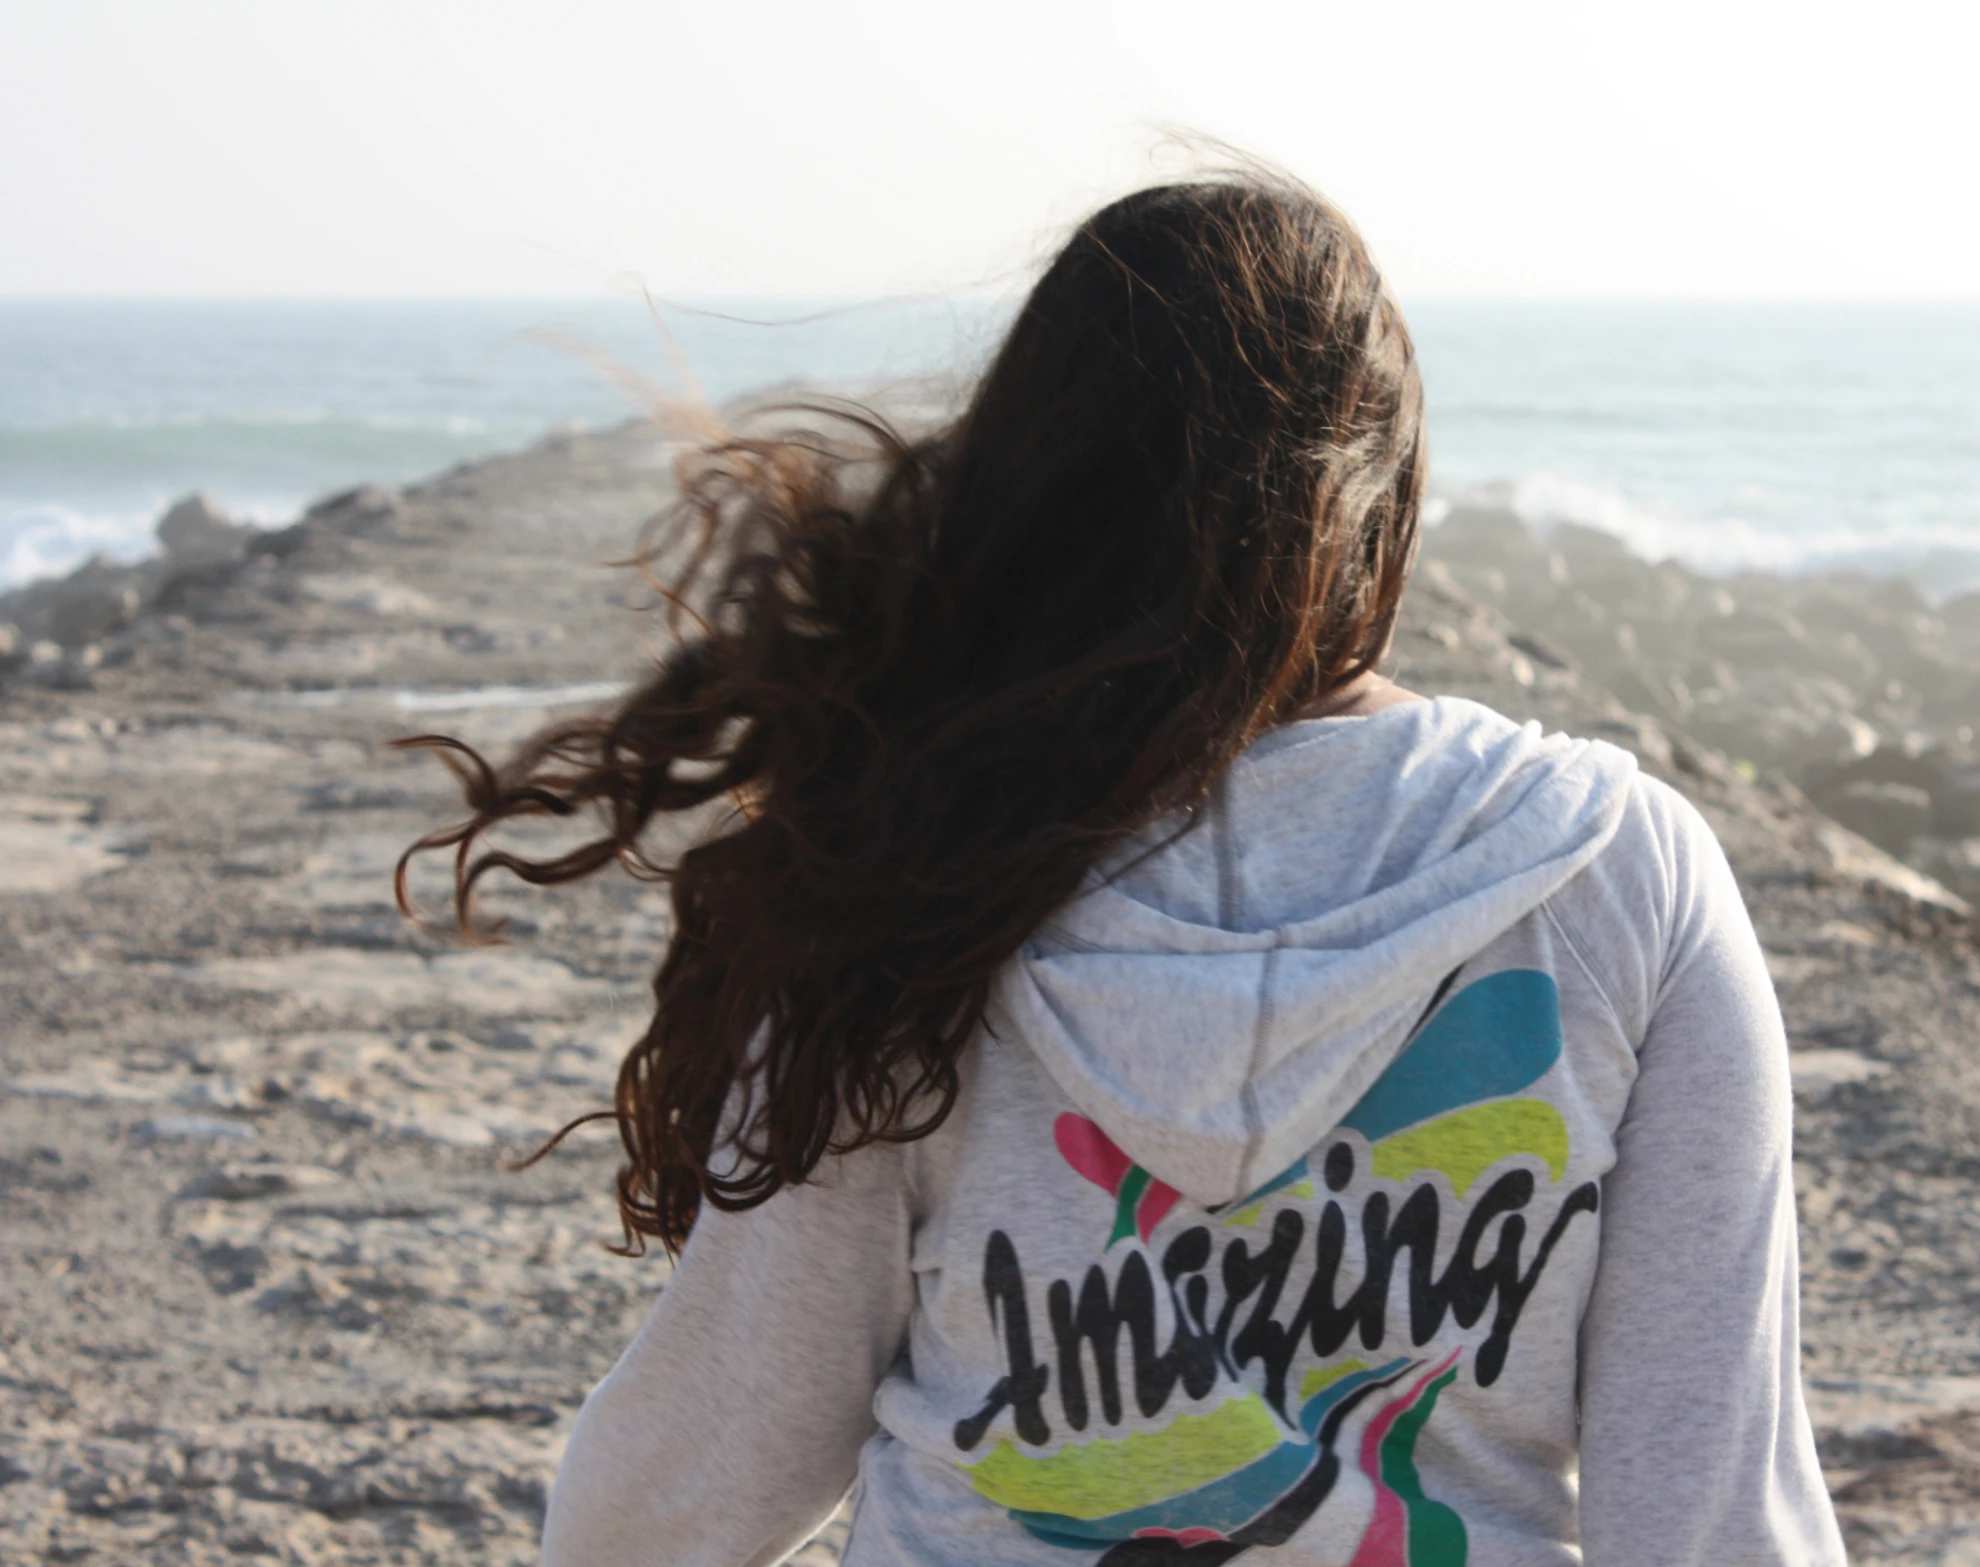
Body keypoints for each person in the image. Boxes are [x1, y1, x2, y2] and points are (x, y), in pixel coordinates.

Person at [406, 169, 1845, 1567]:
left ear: (1035, 490)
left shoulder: (926, 861)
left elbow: (699, 1475)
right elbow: (1711, 1506)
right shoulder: (1610, 868)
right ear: (1377, 504)